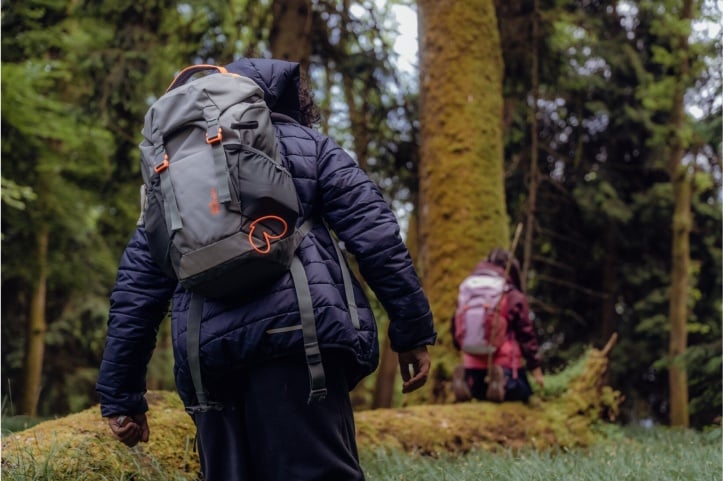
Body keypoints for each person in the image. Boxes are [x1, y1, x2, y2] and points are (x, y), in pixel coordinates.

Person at [95, 57, 437, 481]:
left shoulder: (168, 175)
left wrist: (121, 396)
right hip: (301, 343)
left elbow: (136, 292)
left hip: (208, 359)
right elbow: (376, 236)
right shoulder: (308, 145)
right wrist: (411, 331)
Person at [451, 247, 544, 403]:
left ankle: (467, 382)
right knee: (524, 391)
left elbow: (455, 328)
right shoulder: (511, 294)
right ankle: (502, 383)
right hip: (504, 365)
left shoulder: (467, 289)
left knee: (478, 389)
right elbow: (526, 334)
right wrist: (535, 367)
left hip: (471, 363)